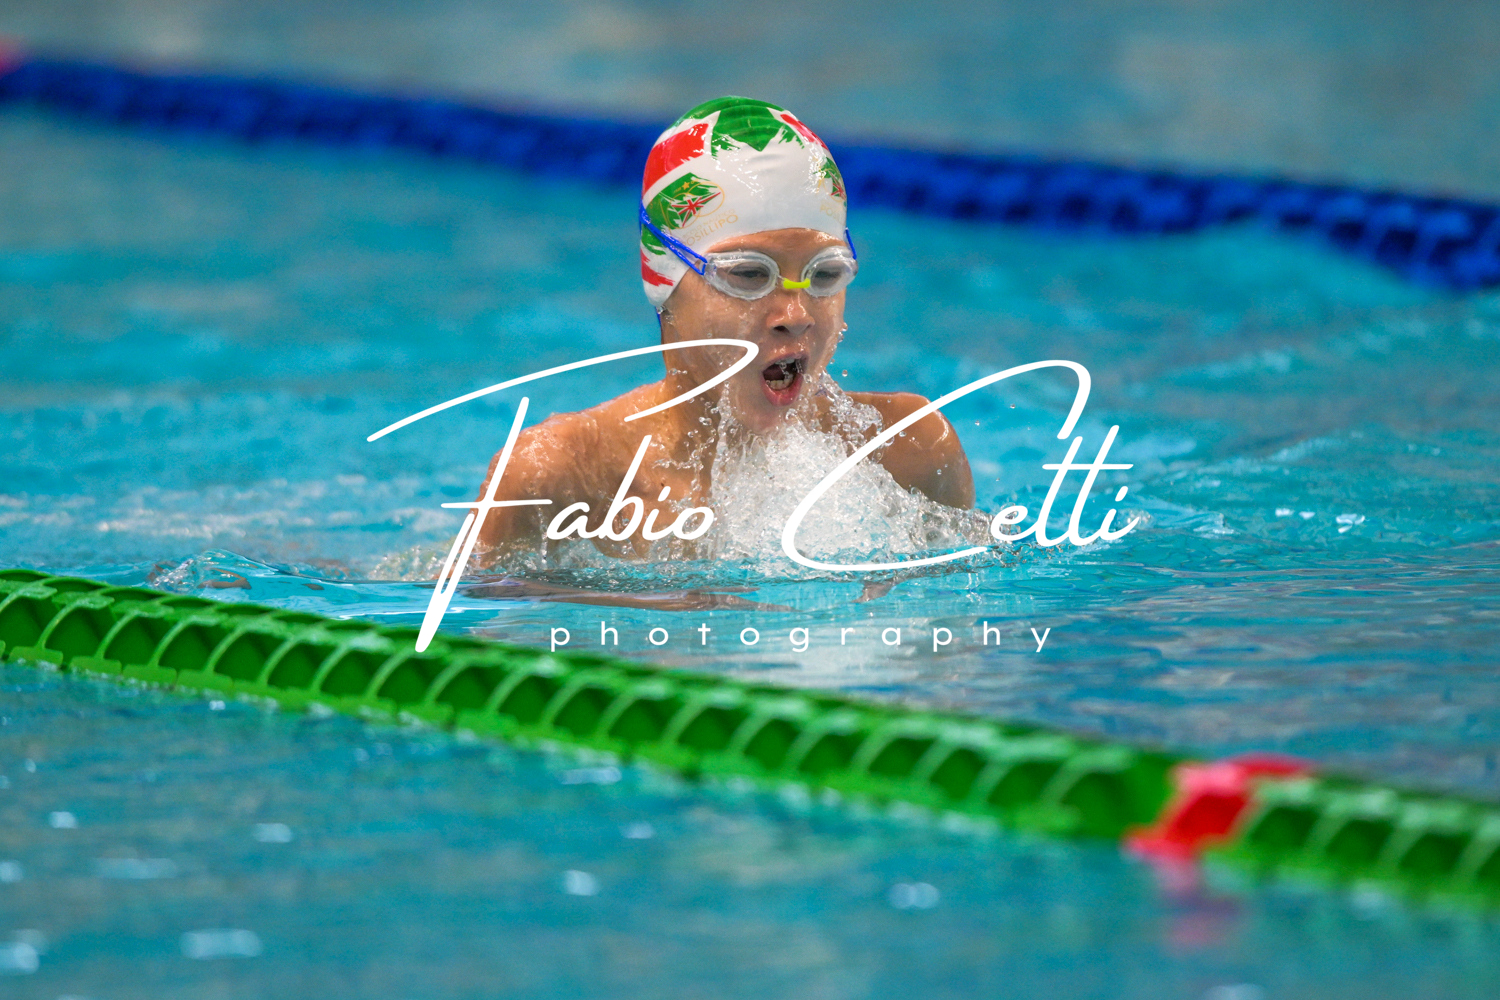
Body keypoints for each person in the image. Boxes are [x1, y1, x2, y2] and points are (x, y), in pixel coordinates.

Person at [474, 96, 973, 562]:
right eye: (749, 274)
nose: (796, 313)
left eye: (824, 274)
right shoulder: (561, 478)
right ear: (662, 277)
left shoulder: (911, 452)